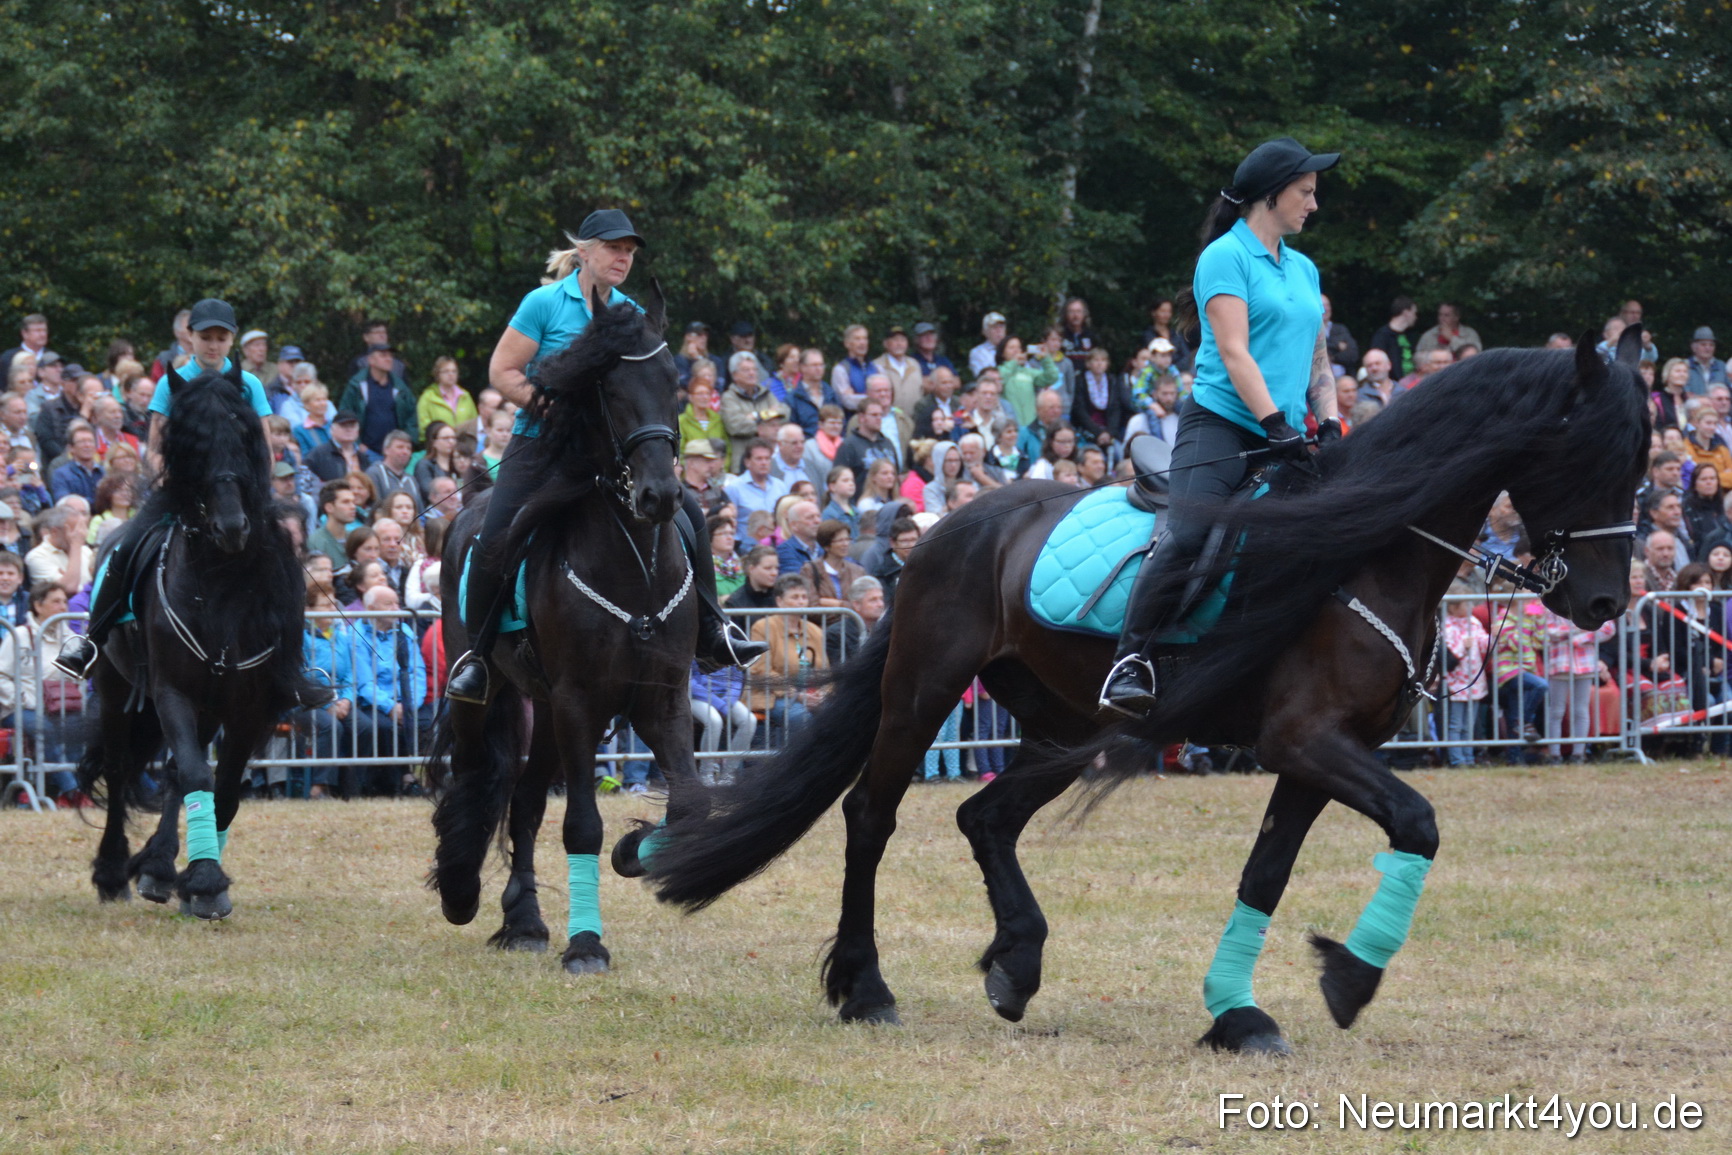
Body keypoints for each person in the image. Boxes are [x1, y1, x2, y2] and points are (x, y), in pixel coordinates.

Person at [446, 210, 764, 703]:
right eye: (614, 248)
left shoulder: (632, 314)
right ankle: (479, 659)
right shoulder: (545, 303)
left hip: (610, 454)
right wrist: (552, 409)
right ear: (585, 251)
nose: (623, 258)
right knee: (493, 538)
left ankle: (713, 631)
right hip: (542, 444)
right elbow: (503, 372)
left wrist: (657, 451)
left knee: (691, 515)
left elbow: (645, 389)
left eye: (630, 252)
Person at [1102, 137, 1342, 715]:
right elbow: (1235, 353)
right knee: (1188, 534)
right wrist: (1275, 424)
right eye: (1306, 193)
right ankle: (1130, 662)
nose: (1314, 205)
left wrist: (1330, 422)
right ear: (1271, 195)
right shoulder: (1225, 257)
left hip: (1285, 431)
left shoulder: (1304, 268)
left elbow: (1318, 362)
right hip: (1222, 426)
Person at [54, 299, 278, 678]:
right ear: (189, 337)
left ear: (231, 340)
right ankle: (91, 641)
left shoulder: (249, 383)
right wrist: (179, 480)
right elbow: (155, 451)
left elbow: (265, 450)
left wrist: (250, 488)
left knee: (283, 554)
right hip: (183, 493)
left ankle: (290, 661)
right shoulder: (170, 383)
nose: (212, 345)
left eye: (220, 338)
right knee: (124, 548)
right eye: (205, 337)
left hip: (235, 495)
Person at [747, 574, 827, 749]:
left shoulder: (815, 631)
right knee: (801, 717)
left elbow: (825, 671)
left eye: (804, 597)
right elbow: (761, 670)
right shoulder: (763, 627)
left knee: (837, 714)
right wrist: (798, 695)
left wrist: (821, 693)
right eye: (795, 597)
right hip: (773, 694)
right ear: (780, 601)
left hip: (809, 693)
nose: (801, 602)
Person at [341, 342, 418, 455]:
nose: (389, 359)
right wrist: (357, 444)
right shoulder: (357, 385)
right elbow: (345, 414)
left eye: (390, 356)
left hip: (395, 453)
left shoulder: (400, 387)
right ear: (371, 360)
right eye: (383, 355)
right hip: (366, 452)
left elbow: (412, 417)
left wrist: (407, 442)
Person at [802, 520, 865, 608]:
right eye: (840, 540)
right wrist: (845, 607)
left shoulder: (857, 570)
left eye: (847, 539)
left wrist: (835, 604)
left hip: (851, 621)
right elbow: (812, 606)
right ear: (827, 546)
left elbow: (862, 605)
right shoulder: (810, 570)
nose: (845, 544)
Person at [416, 356, 478, 435]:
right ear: (437, 374)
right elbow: (424, 426)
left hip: (464, 444)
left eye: (454, 371)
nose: (451, 374)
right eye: (446, 371)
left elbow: (474, 422)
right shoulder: (427, 398)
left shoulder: (465, 396)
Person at [1368, 296, 1419, 378]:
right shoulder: (1382, 336)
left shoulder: (1410, 335)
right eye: (1414, 313)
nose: (1415, 317)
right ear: (1406, 312)